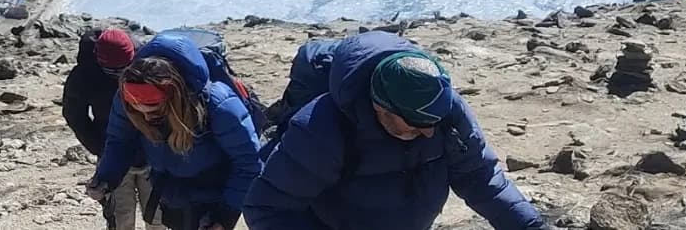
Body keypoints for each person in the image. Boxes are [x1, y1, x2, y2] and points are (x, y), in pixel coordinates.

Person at [243, 31, 547, 230]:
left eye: (433, 125)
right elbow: (267, 207)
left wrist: (530, 226)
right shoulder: (321, 128)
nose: (429, 134)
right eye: (415, 125)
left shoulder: (443, 109)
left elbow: (481, 179)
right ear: (381, 109)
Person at [88, 32, 263, 230]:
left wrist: (225, 216)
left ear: (175, 96)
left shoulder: (220, 106)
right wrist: (106, 178)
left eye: (154, 111)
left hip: (215, 198)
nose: (146, 118)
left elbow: (249, 163)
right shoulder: (128, 96)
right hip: (170, 192)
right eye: (138, 111)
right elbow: (120, 140)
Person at [64, 28, 164, 230]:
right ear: (99, 61)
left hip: (152, 153)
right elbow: (75, 115)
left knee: (158, 217)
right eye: (112, 72)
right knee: (120, 218)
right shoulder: (84, 74)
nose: (119, 76)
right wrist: (101, 148)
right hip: (111, 153)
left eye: (124, 69)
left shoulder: (148, 64)